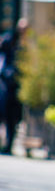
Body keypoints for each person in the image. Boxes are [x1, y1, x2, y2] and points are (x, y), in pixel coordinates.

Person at [0, 18, 28, 154]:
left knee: (13, 116)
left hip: (17, 85)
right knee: (4, 112)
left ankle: (8, 144)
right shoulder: (8, 40)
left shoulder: (25, 45)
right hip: (5, 83)